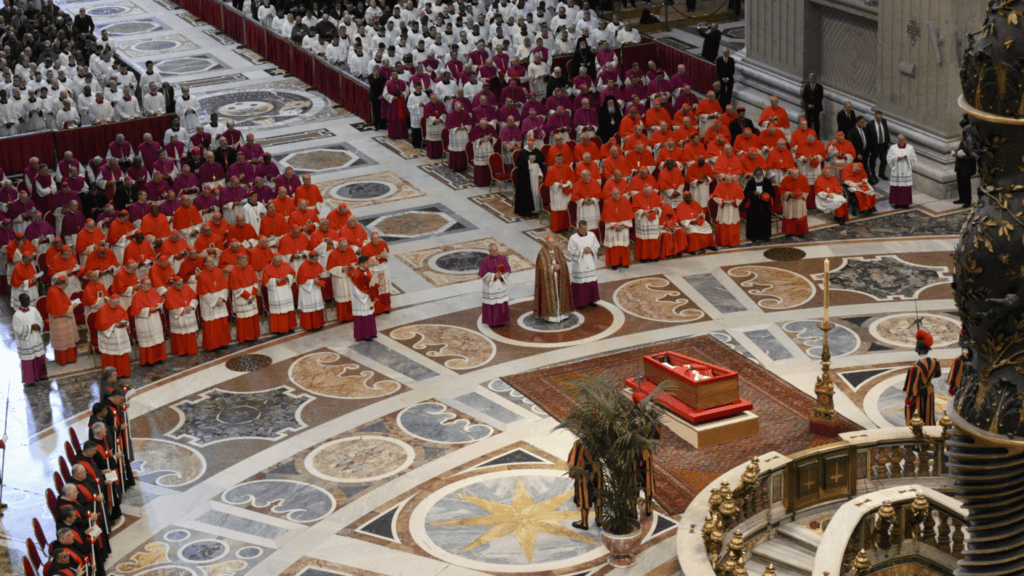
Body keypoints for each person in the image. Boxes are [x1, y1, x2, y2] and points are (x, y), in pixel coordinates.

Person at [904, 330, 940, 426]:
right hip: (929, 393)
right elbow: (937, 374)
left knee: (917, 418)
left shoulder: (915, 368)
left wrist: (908, 401)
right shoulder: (935, 362)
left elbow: (912, 388)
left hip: (918, 396)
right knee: (928, 416)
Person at [534, 236, 572, 323]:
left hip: (559, 277)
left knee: (560, 294)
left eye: (553, 243)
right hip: (548, 279)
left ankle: (562, 314)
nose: (552, 245)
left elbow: (563, 261)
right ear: (546, 243)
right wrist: (552, 268)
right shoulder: (542, 253)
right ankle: (551, 317)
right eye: (550, 243)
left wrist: (560, 266)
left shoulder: (557, 250)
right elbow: (541, 267)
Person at [130, 277, 166, 366]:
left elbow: (160, 300)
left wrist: (158, 305)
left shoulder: (153, 290)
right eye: (148, 284)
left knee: (157, 339)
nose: (150, 286)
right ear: (142, 285)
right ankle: (149, 360)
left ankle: (159, 357)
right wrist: (148, 310)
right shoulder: (137, 295)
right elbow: (136, 311)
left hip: (155, 318)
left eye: (150, 284)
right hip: (145, 320)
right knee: (148, 341)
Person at [197, 256, 230, 351]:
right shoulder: (201, 275)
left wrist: (222, 298)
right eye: (210, 262)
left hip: (220, 299)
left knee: (222, 322)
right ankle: (213, 345)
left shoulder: (218, 271)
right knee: (212, 325)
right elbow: (203, 292)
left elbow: (224, 285)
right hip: (209, 303)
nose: (212, 263)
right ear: (205, 264)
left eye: (213, 261)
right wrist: (215, 301)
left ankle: (223, 342)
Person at [567, 439, 601, 530]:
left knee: (584, 497)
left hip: (585, 473)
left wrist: (573, 472)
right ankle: (599, 519)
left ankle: (584, 522)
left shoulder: (580, 443)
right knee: (598, 495)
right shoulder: (599, 439)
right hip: (598, 471)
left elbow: (574, 461)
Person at [13, 293, 47, 384]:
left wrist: (38, 326)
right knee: (28, 361)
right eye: (25, 300)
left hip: (36, 338)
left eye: (28, 299)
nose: (27, 301)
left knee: (40, 357)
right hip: (26, 341)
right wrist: (30, 328)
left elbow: (40, 320)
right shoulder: (17, 315)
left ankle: (41, 375)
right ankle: (30, 380)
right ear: (20, 301)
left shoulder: (34, 310)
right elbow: (17, 329)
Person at [47, 274, 81, 365]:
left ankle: (71, 358)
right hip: (59, 321)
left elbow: (62, 303)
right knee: (63, 342)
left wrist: (70, 304)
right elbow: (59, 310)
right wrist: (72, 306)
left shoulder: (57, 289)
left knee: (68, 340)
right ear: (61, 284)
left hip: (64, 320)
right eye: (66, 285)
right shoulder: (54, 292)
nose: (66, 287)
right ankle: (64, 359)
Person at [95, 293, 131, 377]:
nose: (116, 305)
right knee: (110, 357)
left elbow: (125, 316)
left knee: (122, 355)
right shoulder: (102, 310)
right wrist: (114, 325)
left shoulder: (119, 307)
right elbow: (100, 325)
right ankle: (111, 376)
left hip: (120, 334)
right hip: (110, 336)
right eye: (115, 304)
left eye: (118, 303)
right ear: (109, 302)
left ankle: (123, 373)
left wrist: (124, 322)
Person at [567, 220, 601, 308]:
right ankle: (580, 302)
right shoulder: (573, 238)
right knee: (581, 283)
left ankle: (591, 300)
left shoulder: (592, 235)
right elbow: (570, 251)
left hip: (589, 262)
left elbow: (597, 245)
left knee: (591, 281)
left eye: (586, 228)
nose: (584, 230)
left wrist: (591, 250)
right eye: (582, 228)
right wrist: (582, 251)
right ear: (578, 228)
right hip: (580, 264)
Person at [262, 252, 297, 333]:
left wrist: (288, 277)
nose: (279, 263)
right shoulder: (267, 268)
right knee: (278, 311)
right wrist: (274, 280)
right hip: (275, 291)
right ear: (272, 260)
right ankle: (279, 329)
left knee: (288, 308)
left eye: (280, 261)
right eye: (277, 261)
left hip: (285, 289)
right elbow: (265, 281)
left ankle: (290, 327)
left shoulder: (286, 264)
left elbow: (292, 273)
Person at [478, 243, 511, 327]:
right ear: (489, 251)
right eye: (493, 251)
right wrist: (494, 276)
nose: (495, 252)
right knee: (492, 304)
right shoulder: (485, 261)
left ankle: (501, 321)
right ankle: (492, 323)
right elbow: (483, 274)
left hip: (500, 284)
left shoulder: (503, 258)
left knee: (501, 303)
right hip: (491, 286)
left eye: (496, 250)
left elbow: (508, 270)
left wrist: (502, 275)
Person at [164, 276, 199, 356]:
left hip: (189, 313)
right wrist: (183, 310)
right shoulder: (169, 292)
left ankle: (192, 350)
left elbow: (194, 298)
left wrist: (191, 306)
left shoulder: (187, 287)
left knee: (190, 334)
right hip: (179, 316)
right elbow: (170, 306)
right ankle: (182, 351)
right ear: (174, 284)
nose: (181, 286)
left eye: (182, 284)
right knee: (181, 335)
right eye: (179, 285)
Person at [601, 187, 633, 269]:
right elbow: (606, 217)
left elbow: (629, 216)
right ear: (611, 194)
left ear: (620, 193)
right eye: (614, 194)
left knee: (623, 245)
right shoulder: (607, 202)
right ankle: (614, 263)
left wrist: (623, 226)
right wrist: (615, 226)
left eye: (617, 193)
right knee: (614, 246)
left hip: (623, 227)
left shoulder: (625, 201)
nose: (616, 195)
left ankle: (624, 262)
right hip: (613, 227)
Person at [350, 255, 379, 341]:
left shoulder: (367, 270)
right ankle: (364, 335)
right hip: (361, 300)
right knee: (363, 317)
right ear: (361, 263)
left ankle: (372, 333)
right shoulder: (356, 274)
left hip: (368, 296)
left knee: (370, 315)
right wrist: (367, 294)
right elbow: (355, 290)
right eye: (367, 263)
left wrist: (374, 287)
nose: (368, 264)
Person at [514, 138, 545, 217]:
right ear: (527, 144)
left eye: (532, 144)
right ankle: (529, 210)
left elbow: (541, 162)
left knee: (536, 192)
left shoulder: (536, 151)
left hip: (536, 176)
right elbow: (520, 164)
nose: (531, 146)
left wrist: (540, 175)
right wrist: (528, 162)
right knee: (528, 193)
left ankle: (537, 208)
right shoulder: (523, 152)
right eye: (529, 145)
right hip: (526, 178)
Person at [361, 233, 391, 314]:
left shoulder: (383, 243)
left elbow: (387, 252)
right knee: (375, 289)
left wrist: (385, 256)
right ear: (371, 239)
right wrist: (376, 258)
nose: (377, 240)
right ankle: (376, 310)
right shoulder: (366, 247)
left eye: (378, 238)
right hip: (373, 270)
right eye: (374, 238)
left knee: (384, 288)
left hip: (383, 268)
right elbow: (363, 262)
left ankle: (386, 307)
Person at [296, 252, 327, 331]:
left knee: (317, 306)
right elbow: (300, 280)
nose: (316, 261)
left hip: (315, 288)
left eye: (317, 259)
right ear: (310, 258)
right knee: (309, 308)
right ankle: (309, 326)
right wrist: (312, 281)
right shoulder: (303, 266)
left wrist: (321, 275)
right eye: (315, 259)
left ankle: (318, 324)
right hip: (306, 290)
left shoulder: (317, 263)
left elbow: (321, 272)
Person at [744, 168, 775, 243]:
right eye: (757, 174)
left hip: (764, 205)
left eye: (760, 174)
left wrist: (766, 194)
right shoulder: (750, 182)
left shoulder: (767, 181)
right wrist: (752, 193)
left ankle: (765, 236)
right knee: (753, 221)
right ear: (754, 174)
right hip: (753, 205)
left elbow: (772, 192)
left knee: (765, 220)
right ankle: (753, 236)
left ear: (762, 174)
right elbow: (746, 193)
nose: (758, 176)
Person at [711, 175, 744, 247]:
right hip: (723, 209)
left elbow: (741, 198)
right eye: (727, 180)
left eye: (730, 180)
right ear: (724, 179)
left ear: (732, 179)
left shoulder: (737, 186)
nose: (728, 182)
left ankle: (733, 242)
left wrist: (734, 201)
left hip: (733, 208)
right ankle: (723, 242)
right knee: (723, 224)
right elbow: (715, 197)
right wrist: (723, 201)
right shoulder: (719, 185)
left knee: (732, 224)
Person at [886, 134, 917, 209]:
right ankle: (897, 203)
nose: (901, 141)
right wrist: (896, 159)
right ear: (897, 140)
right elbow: (888, 158)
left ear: (905, 139)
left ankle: (905, 203)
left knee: (905, 188)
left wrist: (907, 158)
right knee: (897, 187)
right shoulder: (893, 148)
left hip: (906, 170)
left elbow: (914, 158)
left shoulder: (910, 148)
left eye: (902, 140)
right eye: (899, 140)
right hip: (897, 170)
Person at [779, 168, 810, 238]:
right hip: (789, 201)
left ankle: (800, 232)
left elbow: (807, 189)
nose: (796, 176)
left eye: (797, 174)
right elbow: (782, 190)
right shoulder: (785, 179)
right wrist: (789, 193)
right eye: (794, 174)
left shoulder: (802, 178)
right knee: (789, 216)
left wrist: (801, 194)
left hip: (799, 201)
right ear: (790, 174)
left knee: (799, 216)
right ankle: (789, 232)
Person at [954, 132, 977, 207]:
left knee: (966, 185)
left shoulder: (971, 145)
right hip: (959, 167)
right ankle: (962, 198)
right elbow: (960, 151)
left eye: (961, 135)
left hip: (966, 168)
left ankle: (968, 201)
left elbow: (972, 158)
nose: (960, 136)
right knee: (960, 184)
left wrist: (962, 157)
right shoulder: (962, 143)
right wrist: (956, 153)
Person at [867, 111, 891, 182]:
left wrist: (888, 142)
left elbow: (886, 131)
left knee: (884, 159)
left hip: (883, 145)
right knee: (873, 161)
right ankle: (873, 174)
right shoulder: (870, 124)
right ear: (875, 117)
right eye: (878, 118)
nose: (879, 119)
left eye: (880, 118)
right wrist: (869, 150)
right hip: (874, 146)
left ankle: (881, 173)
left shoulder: (884, 121)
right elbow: (868, 138)